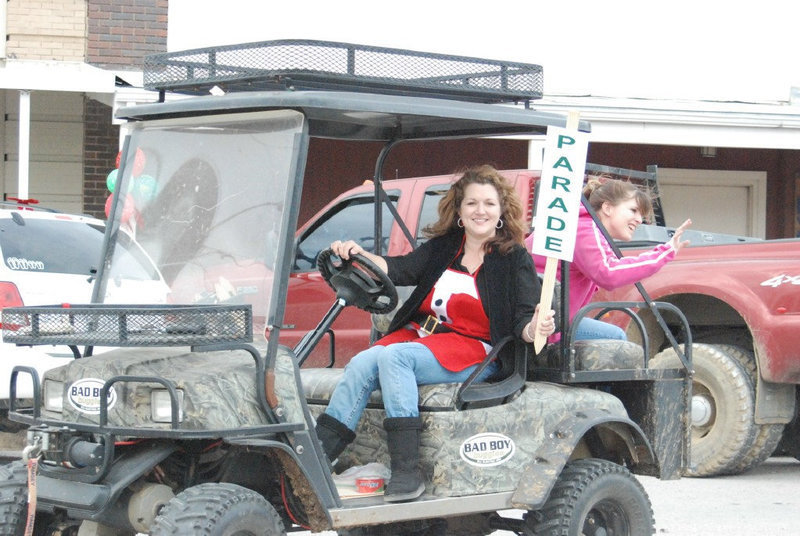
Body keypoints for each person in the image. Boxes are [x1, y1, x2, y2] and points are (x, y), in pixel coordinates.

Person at [314, 164, 555, 502]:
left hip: (478, 351)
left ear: (502, 211)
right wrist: (359, 255)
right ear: (459, 210)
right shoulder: (446, 246)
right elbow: (399, 268)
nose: (480, 211)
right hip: (424, 338)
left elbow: (524, 321)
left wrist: (536, 328)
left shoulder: (513, 259)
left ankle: (407, 473)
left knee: (395, 357)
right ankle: (317, 456)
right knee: (362, 362)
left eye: (488, 203)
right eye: (471, 203)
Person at [526, 176, 691, 341]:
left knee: (611, 335)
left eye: (641, 215)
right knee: (614, 338)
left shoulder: (579, 224)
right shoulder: (584, 229)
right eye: (633, 210)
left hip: (549, 319)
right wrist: (664, 252)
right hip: (538, 323)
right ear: (607, 208)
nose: (640, 220)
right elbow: (609, 273)